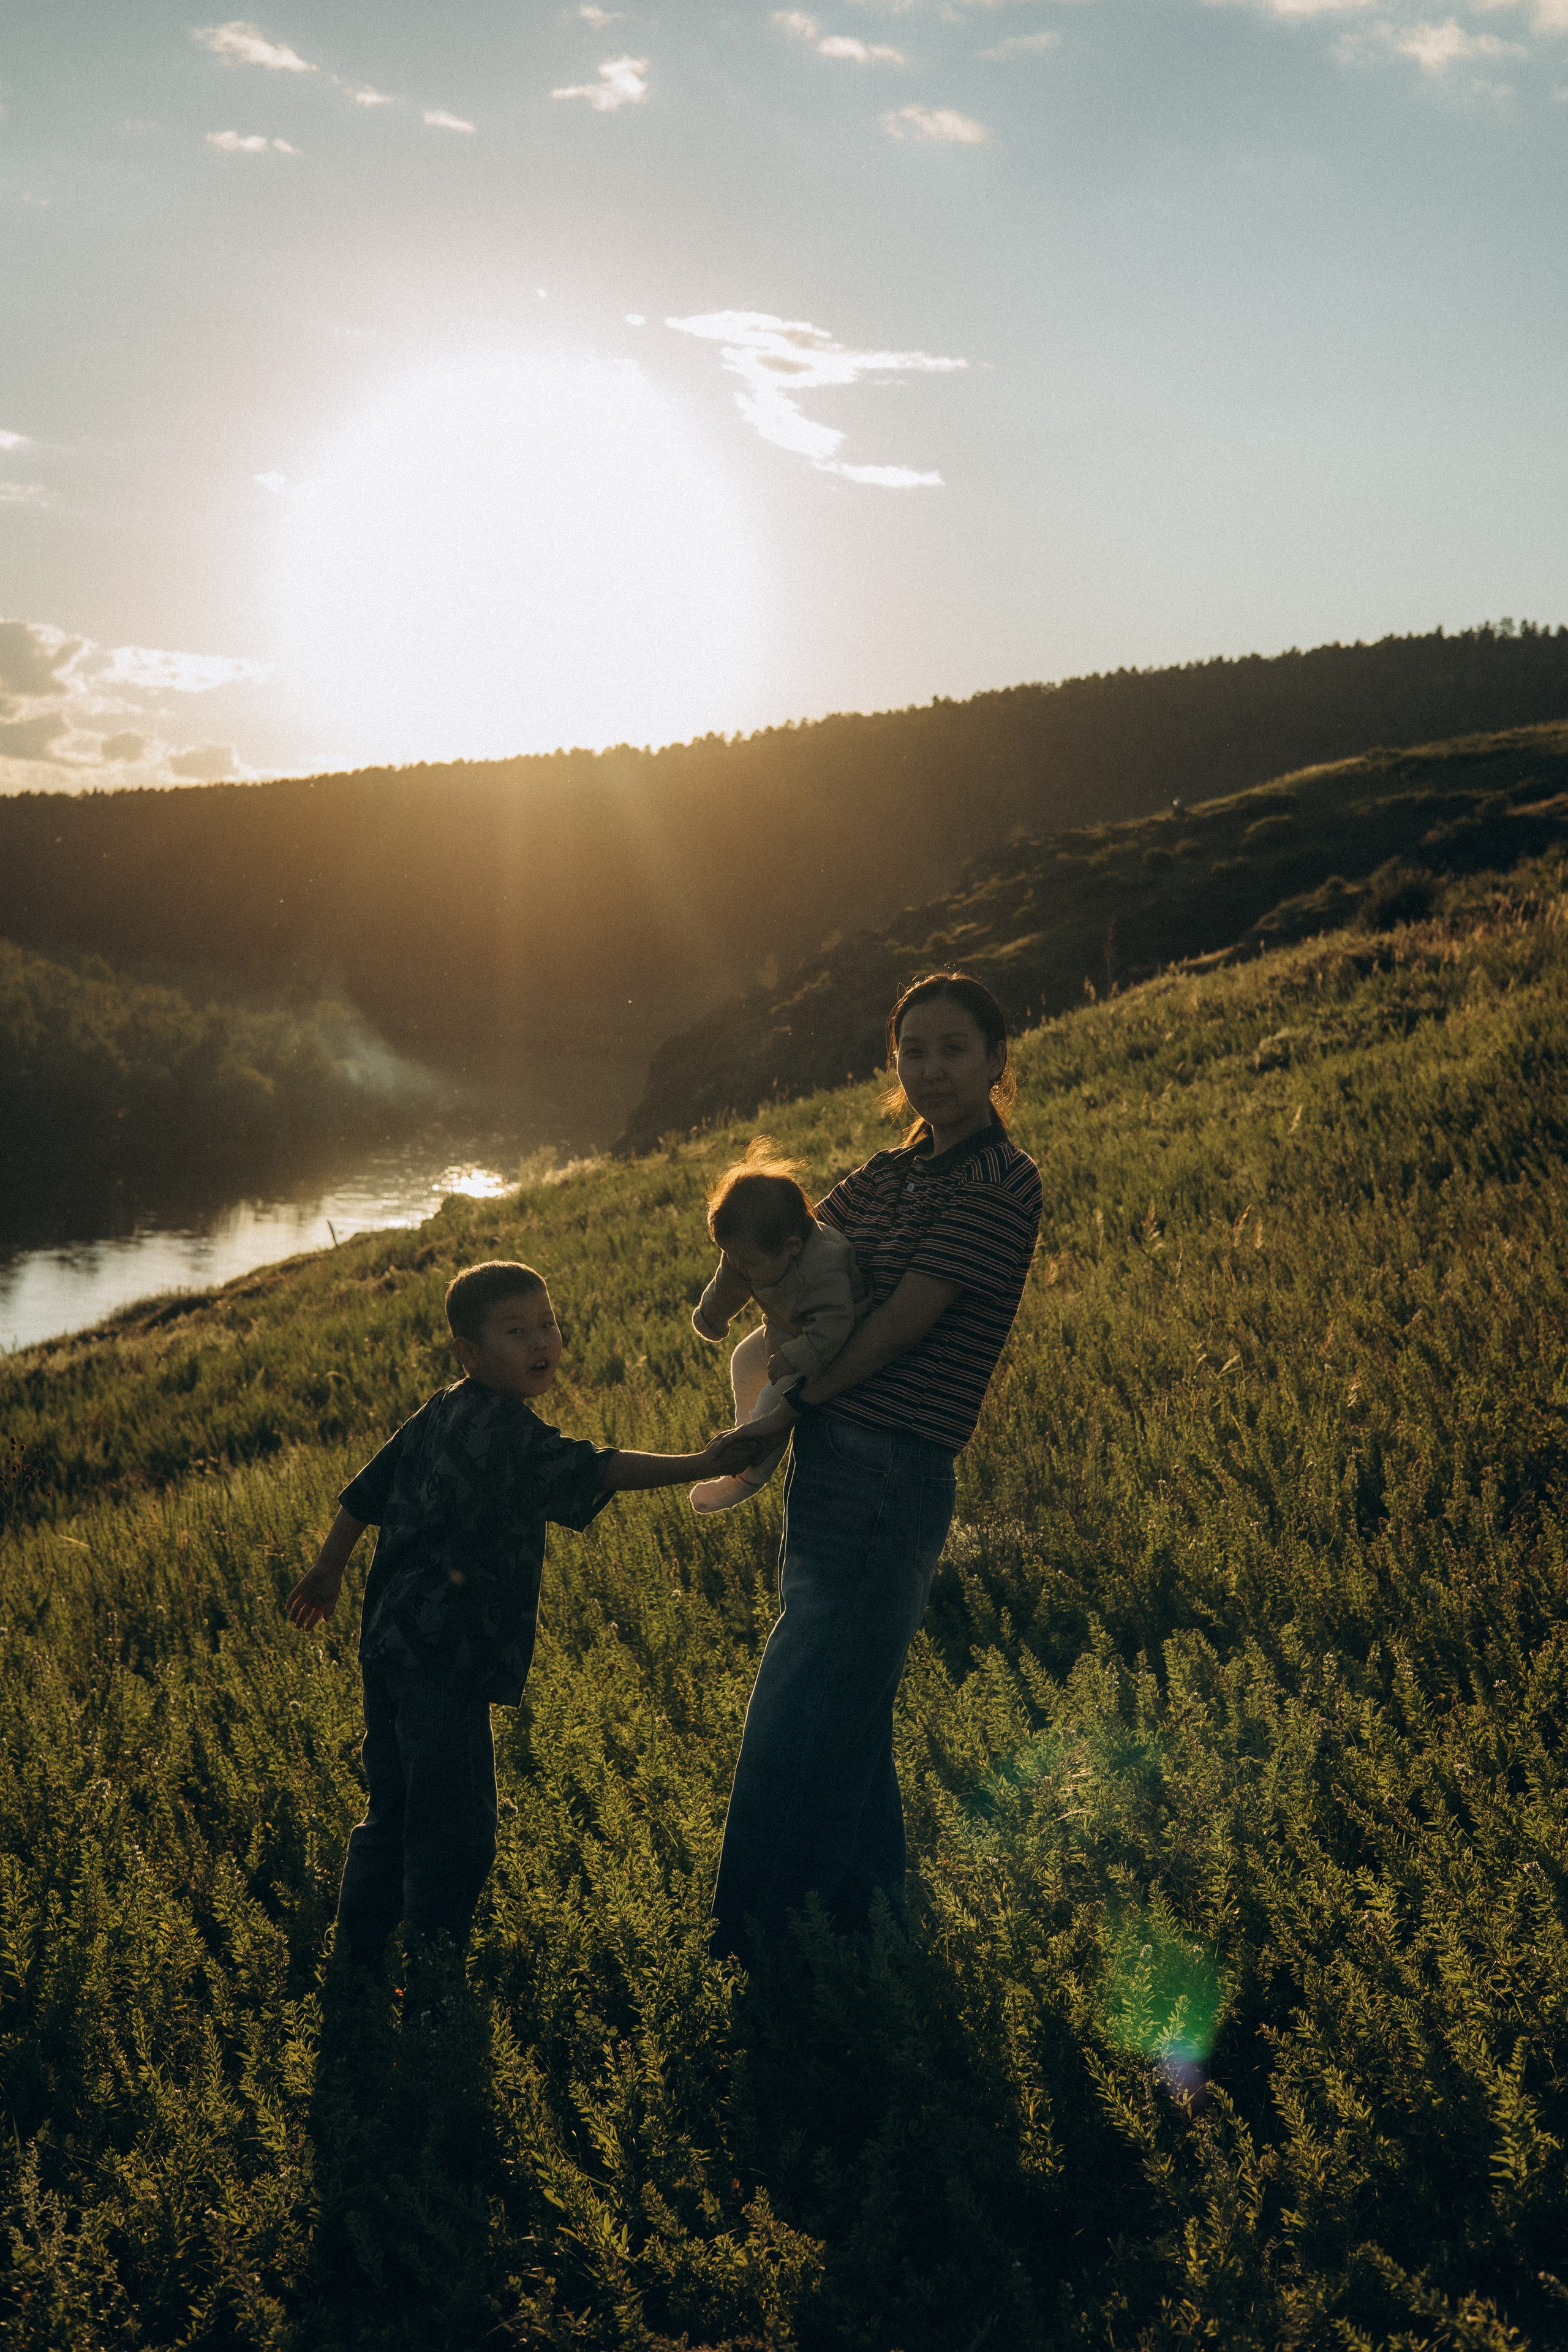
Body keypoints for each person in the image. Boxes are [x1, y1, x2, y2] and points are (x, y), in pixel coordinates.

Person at [285, 1258, 760, 1972]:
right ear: (468, 1354)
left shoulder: (441, 1408)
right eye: (516, 1332)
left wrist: (329, 1567)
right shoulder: (506, 1431)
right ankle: (434, 1967)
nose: (541, 1342)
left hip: (388, 1643)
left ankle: (359, 1956)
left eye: (548, 1324)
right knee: (457, 1830)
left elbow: (364, 1494)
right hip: (445, 1660)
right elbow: (597, 1468)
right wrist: (701, 1463)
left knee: (393, 1812)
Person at [710, 972, 1042, 1962]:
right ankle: (869, 1928)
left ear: (994, 1060)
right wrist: (745, 1307)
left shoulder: (1002, 1180)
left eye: (952, 1050)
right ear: (894, 1065)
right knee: (847, 1707)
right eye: (914, 1051)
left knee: (799, 1711)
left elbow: (903, 1323)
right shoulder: (889, 1174)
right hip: (833, 1463)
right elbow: (786, 1242)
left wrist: (793, 1402)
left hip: (890, 1468)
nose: (932, 1070)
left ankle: (761, 1950)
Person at [688, 1139, 869, 1514]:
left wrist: (795, 1357)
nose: (738, 1266)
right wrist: (712, 1317)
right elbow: (728, 1285)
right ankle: (742, 1440)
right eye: (730, 1257)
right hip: (786, 1327)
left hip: (831, 1343)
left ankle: (747, 1477)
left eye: (746, 1261)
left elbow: (837, 1322)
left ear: (790, 1247)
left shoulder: (824, 1269)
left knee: (775, 1400)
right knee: (744, 1360)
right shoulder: (748, 1252)